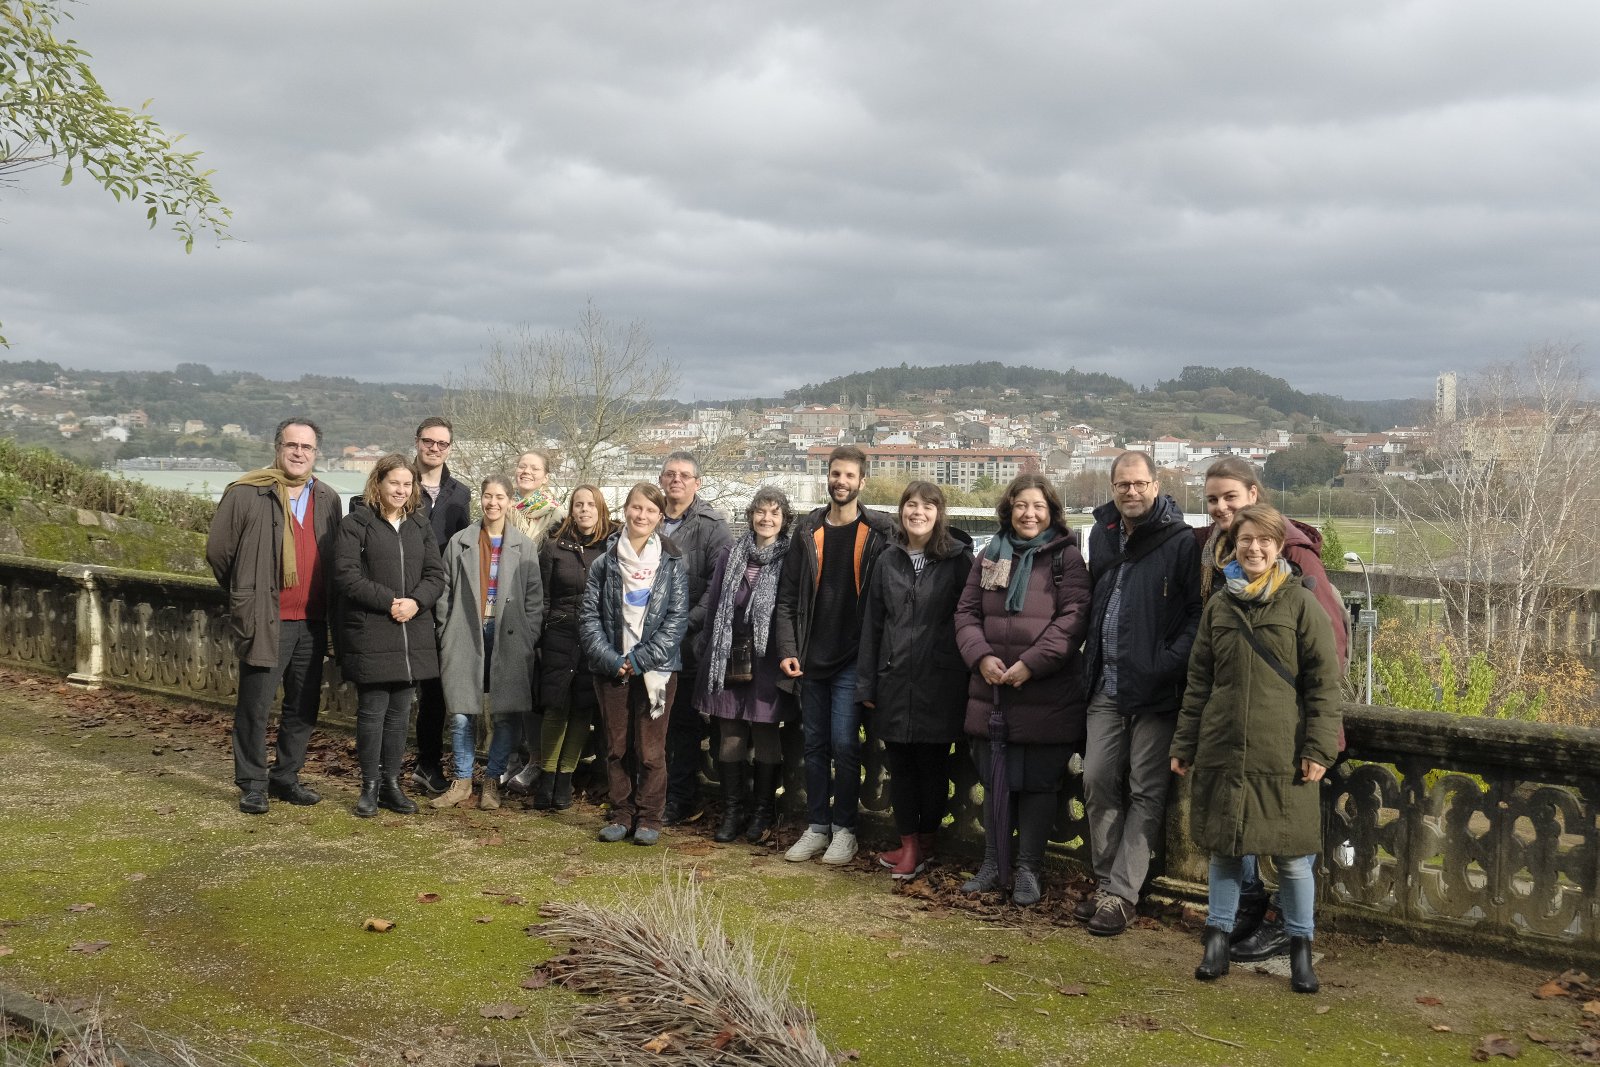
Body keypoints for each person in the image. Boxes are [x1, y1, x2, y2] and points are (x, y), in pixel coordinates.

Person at [1171, 503, 1342, 994]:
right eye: (1246, 540)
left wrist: (1318, 749)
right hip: (1224, 748)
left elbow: (1324, 688)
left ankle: (1300, 948)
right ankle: (1217, 940)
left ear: (1278, 547)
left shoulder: (1301, 604)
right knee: (1224, 851)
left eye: (1265, 541)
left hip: (1282, 752)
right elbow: (1198, 682)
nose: (1255, 548)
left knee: (1290, 858)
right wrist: (1185, 743)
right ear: (1234, 545)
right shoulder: (1219, 607)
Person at [1079, 451, 1203, 935]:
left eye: (1139, 484)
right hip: (1105, 681)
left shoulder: (1180, 541)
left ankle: (1122, 894)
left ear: (1156, 485)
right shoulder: (1101, 534)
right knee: (1096, 779)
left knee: (1147, 790)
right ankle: (1107, 881)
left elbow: (1195, 613)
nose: (1130, 492)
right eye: (1122, 484)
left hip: (1155, 687)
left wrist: (1164, 664)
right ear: (1112, 487)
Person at [953, 474, 1091, 905]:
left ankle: (1029, 868)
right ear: (1008, 510)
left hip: (1045, 693)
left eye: (1038, 507)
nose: (1029, 514)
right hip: (992, 692)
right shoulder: (990, 555)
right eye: (1021, 506)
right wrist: (981, 656)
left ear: (1051, 512)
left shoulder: (1066, 559)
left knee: (1039, 787)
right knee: (995, 780)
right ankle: (994, 863)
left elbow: (1073, 618)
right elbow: (966, 612)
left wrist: (1031, 664)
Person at [206, 418, 343, 814]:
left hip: (313, 623)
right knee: (255, 706)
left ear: (317, 454)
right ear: (277, 447)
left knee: (303, 706)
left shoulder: (328, 498)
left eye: (307, 447)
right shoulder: (247, 493)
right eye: (292, 445)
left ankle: (286, 776)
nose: (299, 453)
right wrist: (247, 594)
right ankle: (252, 782)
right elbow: (219, 552)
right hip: (266, 620)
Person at [775, 445, 895, 866]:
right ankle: (817, 826)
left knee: (845, 745)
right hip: (811, 658)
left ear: (862, 482)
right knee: (813, 745)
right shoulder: (808, 532)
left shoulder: (878, 534)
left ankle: (845, 830)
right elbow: (787, 598)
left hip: (852, 660)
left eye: (848, 476)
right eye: (834, 474)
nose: (840, 482)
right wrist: (788, 650)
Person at [858, 481, 975, 879]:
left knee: (933, 767)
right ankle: (910, 845)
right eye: (911, 504)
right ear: (901, 510)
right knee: (900, 767)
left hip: (940, 683)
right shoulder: (887, 560)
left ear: (939, 512)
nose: (918, 512)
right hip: (894, 679)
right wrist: (867, 683)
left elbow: (971, 620)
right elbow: (873, 624)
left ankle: (924, 843)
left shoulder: (958, 560)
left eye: (927, 505)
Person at [331, 454, 447, 818]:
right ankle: (369, 787)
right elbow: (346, 576)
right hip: (372, 630)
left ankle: (392, 785)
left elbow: (435, 575)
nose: (400, 489)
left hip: (412, 632)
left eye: (406, 484)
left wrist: (415, 602)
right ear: (378, 483)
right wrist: (389, 602)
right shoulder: (356, 524)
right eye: (393, 482)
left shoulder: (420, 525)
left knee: (399, 716)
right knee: (372, 712)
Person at [580, 481, 690, 845]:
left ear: (660, 517)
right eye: (635, 507)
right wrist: (614, 660)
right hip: (611, 668)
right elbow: (589, 618)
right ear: (625, 510)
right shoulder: (604, 562)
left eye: (649, 510)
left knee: (651, 750)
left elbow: (676, 620)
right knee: (616, 747)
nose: (641, 515)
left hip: (657, 670)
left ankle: (650, 818)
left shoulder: (672, 562)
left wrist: (639, 660)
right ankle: (621, 813)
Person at [433, 474, 543, 810]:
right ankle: (462, 780)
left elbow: (535, 599)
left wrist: (528, 636)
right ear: (479, 499)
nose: (492, 503)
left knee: (505, 713)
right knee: (463, 712)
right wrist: (444, 631)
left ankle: (493, 780)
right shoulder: (460, 541)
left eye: (499, 497)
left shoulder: (524, 545)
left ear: (510, 502)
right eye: (487, 496)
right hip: (466, 632)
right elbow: (444, 592)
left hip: (508, 634)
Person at [695, 486, 794, 845]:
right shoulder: (731, 554)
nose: (766, 519)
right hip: (728, 654)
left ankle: (762, 811)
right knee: (731, 735)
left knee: (766, 732)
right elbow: (714, 606)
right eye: (760, 512)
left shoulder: (791, 558)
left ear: (784, 520)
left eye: (774, 513)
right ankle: (733, 810)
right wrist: (707, 652)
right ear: (750, 515)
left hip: (769, 660)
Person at [657, 451, 732, 826]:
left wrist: (686, 624)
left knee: (683, 726)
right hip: (645, 642)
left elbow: (718, 589)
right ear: (661, 480)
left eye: (685, 476)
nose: (677, 481)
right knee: (651, 721)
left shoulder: (713, 526)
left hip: (689, 643)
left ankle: (681, 799)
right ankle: (652, 793)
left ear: (697, 483)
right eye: (670, 474)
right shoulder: (647, 517)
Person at [531, 484, 614, 810]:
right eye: (578, 504)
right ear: (571, 509)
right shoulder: (554, 548)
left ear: (600, 509)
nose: (584, 510)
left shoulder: (610, 549)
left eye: (590, 505)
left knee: (581, 709)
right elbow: (544, 598)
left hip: (593, 638)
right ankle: (547, 778)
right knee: (555, 707)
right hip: (559, 635)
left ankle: (565, 781)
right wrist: (540, 637)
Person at [409, 417, 473, 796]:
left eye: (442, 444)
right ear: (417, 442)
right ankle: (383, 769)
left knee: (435, 691)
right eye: (428, 441)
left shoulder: (460, 494)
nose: (434, 448)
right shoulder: (398, 482)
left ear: (450, 448)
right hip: (400, 597)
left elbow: (464, 549)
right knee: (398, 689)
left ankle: (428, 764)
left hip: (441, 602)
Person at [502, 448, 564, 793]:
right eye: (522, 466)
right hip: (506, 608)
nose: (525, 471)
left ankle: (536, 759)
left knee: (534, 689)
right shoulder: (505, 511)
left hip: (541, 609)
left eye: (534, 468)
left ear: (545, 476)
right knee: (508, 686)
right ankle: (510, 754)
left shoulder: (556, 515)